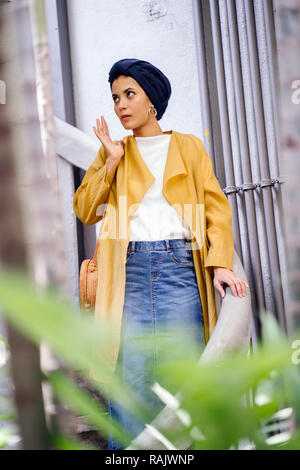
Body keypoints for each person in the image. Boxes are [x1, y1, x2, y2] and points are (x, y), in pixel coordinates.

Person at [73, 58, 249, 450]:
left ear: (152, 99)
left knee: (182, 370)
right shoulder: (114, 151)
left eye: (129, 94)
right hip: (129, 271)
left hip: (180, 267)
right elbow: (86, 209)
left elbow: (215, 209)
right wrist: (111, 163)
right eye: (116, 97)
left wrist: (220, 263)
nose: (120, 105)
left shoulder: (187, 146)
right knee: (132, 377)